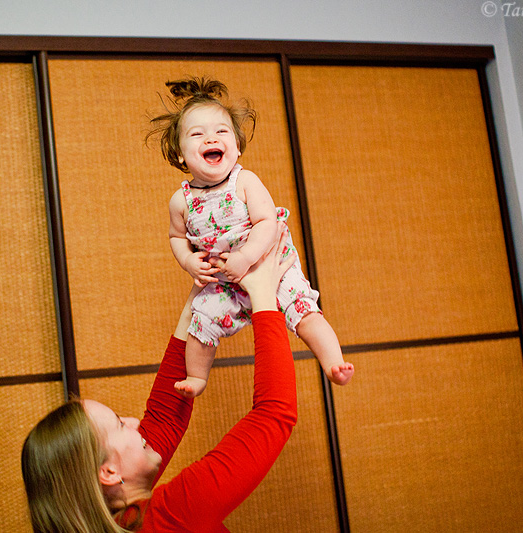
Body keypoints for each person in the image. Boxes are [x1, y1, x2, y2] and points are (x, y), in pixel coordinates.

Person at [21, 227, 300, 532]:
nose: (134, 422)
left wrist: (200, 296)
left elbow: (164, 419)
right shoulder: (173, 514)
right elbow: (275, 413)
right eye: (119, 424)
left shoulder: (126, 519)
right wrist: (263, 295)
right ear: (109, 472)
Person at [148, 76, 354, 397]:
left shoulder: (245, 182)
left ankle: (333, 363)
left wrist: (245, 257)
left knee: (304, 311)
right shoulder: (181, 201)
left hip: (269, 266)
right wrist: (188, 261)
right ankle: (197, 377)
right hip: (223, 280)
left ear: (237, 146)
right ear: (179, 154)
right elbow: (176, 237)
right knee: (201, 323)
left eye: (221, 131)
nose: (211, 138)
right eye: (197, 134)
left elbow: (266, 221)